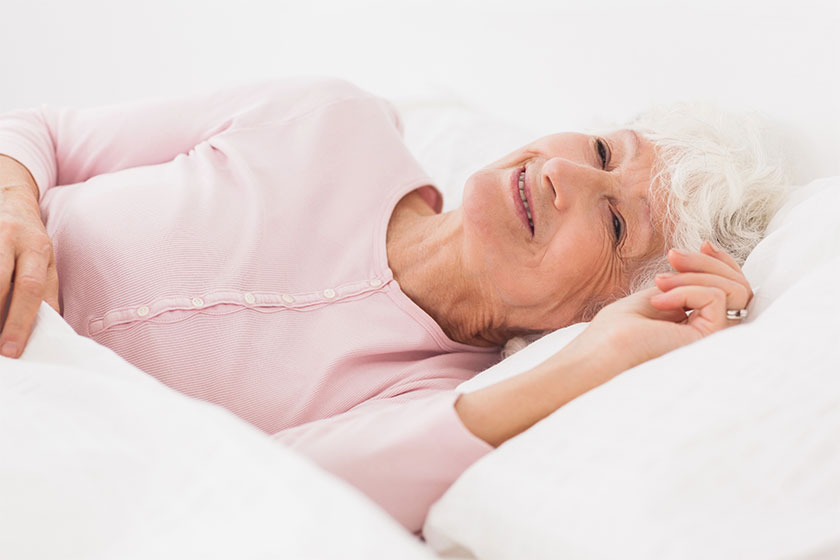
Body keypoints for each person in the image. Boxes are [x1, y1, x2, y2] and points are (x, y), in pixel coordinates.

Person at [0, 77, 787, 534]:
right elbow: (44, 133)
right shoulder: (331, 119)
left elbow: (281, 488)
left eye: (616, 223)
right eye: (605, 151)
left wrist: (607, 356)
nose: (564, 175)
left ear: (597, 313)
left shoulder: (433, 402)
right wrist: (11, 206)